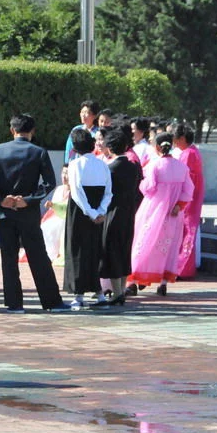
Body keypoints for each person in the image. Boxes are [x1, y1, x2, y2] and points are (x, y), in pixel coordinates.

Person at [0, 114, 68, 313]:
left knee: (9, 258)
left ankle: (14, 304)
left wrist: (0, 198)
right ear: (32, 131)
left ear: (12, 130)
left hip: (4, 212)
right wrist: (27, 200)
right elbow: (49, 183)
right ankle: (51, 302)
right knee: (38, 256)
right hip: (28, 213)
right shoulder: (39, 152)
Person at [128, 134, 193, 296]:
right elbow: (189, 190)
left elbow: (147, 188)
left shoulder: (154, 166)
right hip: (174, 212)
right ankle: (163, 283)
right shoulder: (181, 167)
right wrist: (179, 205)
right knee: (168, 246)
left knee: (142, 243)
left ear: (157, 147)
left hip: (153, 210)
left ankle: (134, 281)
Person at [64, 128, 112, 309]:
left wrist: (90, 212)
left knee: (77, 250)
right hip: (98, 212)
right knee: (94, 250)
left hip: (80, 213)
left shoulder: (75, 164)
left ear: (75, 147)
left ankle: (78, 294)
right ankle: (98, 293)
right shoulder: (102, 164)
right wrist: (100, 211)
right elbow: (109, 192)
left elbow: (76, 192)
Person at [97, 128, 141, 306]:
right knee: (124, 250)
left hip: (112, 214)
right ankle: (121, 289)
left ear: (109, 147)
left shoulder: (109, 169)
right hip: (128, 214)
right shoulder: (133, 167)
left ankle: (117, 293)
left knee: (112, 251)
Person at [171, 122, 206, 279]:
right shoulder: (192, 151)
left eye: (176, 139)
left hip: (188, 197)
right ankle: (183, 267)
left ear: (183, 138)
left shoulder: (188, 154)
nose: (175, 143)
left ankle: (182, 268)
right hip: (193, 195)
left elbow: (183, 179)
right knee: (187, 231)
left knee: (186, 231)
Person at [62, 100, 100, 181]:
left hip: (92, 168)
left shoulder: (98, 132)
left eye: (87, 113)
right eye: (82, 112)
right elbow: (69, 149)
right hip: (75, 167)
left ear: (94, 115)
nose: (83, 115)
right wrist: (66, 165)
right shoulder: (76, 129)